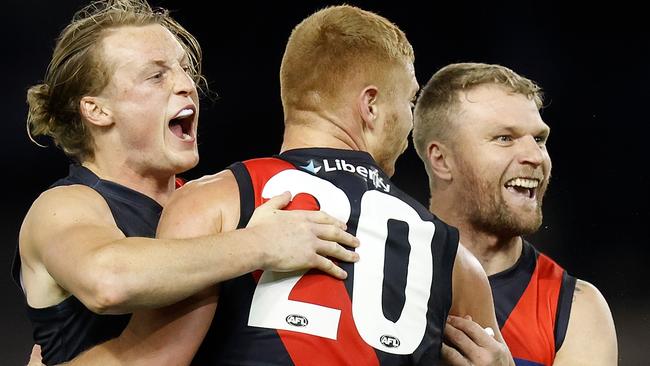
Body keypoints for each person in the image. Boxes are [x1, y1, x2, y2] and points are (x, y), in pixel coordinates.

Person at [59, 5, 512, 365]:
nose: (411, 121)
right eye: (409, 100)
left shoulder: (212, 203)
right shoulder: (456, 260)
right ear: (370, 106)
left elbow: (154, 358)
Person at [16, 0, 359, 364]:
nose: (186, 85)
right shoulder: (65, 206)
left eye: (184, 69)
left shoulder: (206, 204)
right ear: (97, 110)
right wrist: (259, 243)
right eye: (156, 75)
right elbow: (109, 280)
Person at [412, 62, 618, 365]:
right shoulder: (376, 272)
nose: (536, 157)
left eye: (539, 139)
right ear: (441, 160)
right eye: (504, 138)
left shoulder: (575, 310)